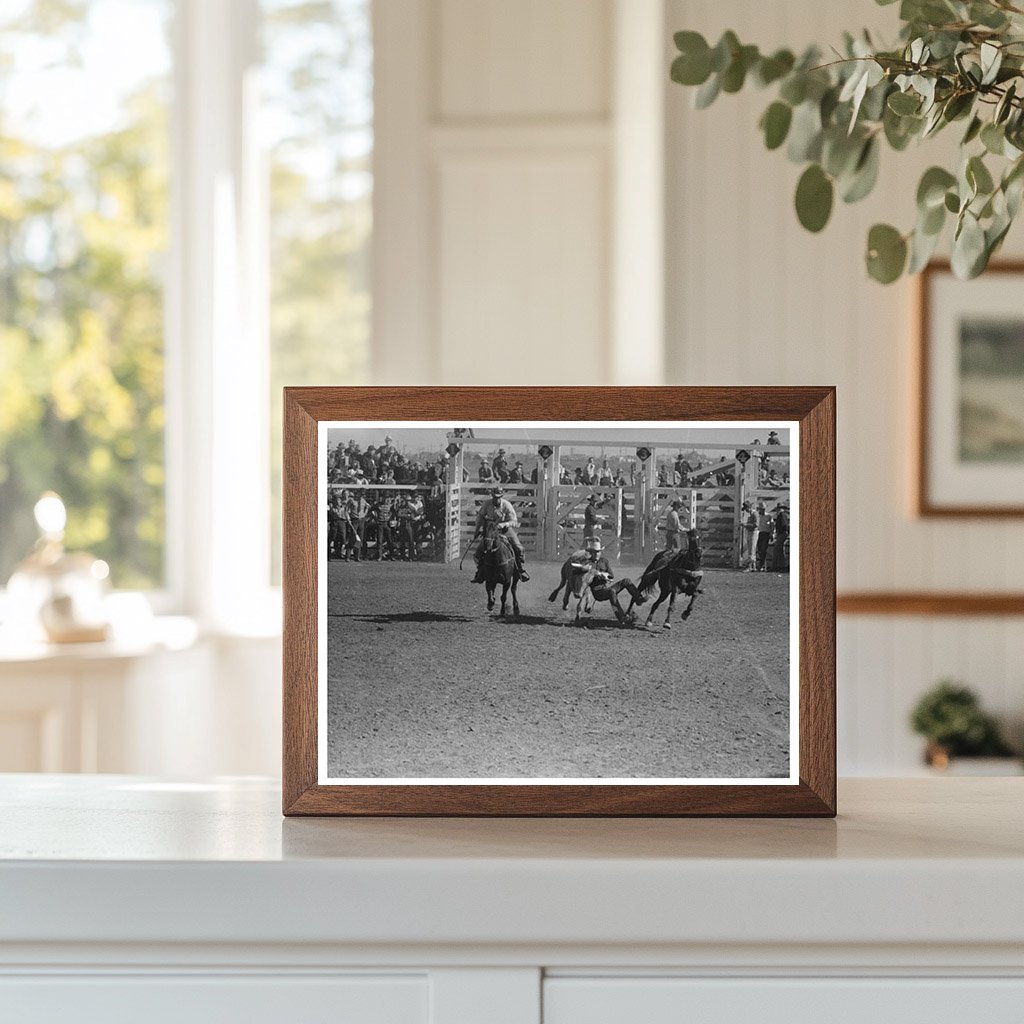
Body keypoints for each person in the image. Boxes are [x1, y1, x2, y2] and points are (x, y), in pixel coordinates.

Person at [471, 486, 529, 582]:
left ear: (501, 496)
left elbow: (514, 520)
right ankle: (480, 571)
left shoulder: (507, 505)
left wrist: (504, 524)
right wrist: (477, 530)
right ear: (492, 496)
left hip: (505, 530)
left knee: (519, 548)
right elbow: (480, 516)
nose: (496, 499)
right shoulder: (487, 504)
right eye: (494, 497)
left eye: (498, 497)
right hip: (491, 530)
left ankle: (520, 570)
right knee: (479, 551)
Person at [350, 490, 370, 561]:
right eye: (361, 494)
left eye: (363, 495)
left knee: (360, 539)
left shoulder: (364, 501)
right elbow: (348, 509)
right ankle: (348, 555)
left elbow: (366, 509)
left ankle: (357, 556)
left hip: (361, 520)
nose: (362, 496)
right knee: (352, 537)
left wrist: (365, 512)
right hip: (354, 520)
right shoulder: (352, 501)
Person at [772, 502, 790, 572]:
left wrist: (779, 531)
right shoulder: (783, 515)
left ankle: (776, 566)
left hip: (782, 533)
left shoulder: (781, 515)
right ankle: (781, 566)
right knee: (780, 550)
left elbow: (783, 525)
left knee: (777, 549)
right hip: (783, 533)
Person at [754, 501, 772, 571]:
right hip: (760, 533)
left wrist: (771, 533)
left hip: (766, 533)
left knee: (763, 549)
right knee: (759, 549)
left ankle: (762, 565)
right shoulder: (758, 516)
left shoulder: (768, 516)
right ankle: (762, 564)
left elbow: (772, 525)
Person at [740, 500, 757, 570]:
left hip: (753, 533)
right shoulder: (752, 514)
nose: (746, 510)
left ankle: (749, 567)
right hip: (751, 532)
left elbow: (756, 525)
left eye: (746, 509)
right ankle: (753, 566)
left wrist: (745, 525)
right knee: (751, 549)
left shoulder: (754, 514)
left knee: (751, 550)